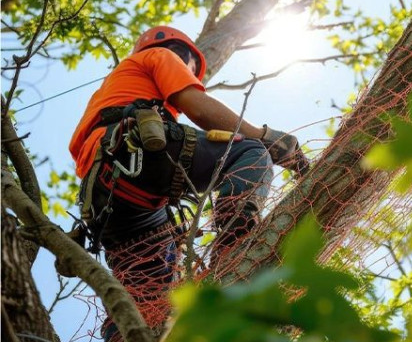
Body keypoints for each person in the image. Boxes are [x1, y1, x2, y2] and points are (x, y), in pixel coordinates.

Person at [68, 26, 309, 340]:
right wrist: (266, 137)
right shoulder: (160, 55)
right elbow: (195, 105)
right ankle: (234, 243)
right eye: (190, 68)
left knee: (154, 293)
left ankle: (125, 335)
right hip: (131, 150)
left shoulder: (113, 90)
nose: (189, 72)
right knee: (249, 152)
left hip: (107, 197)